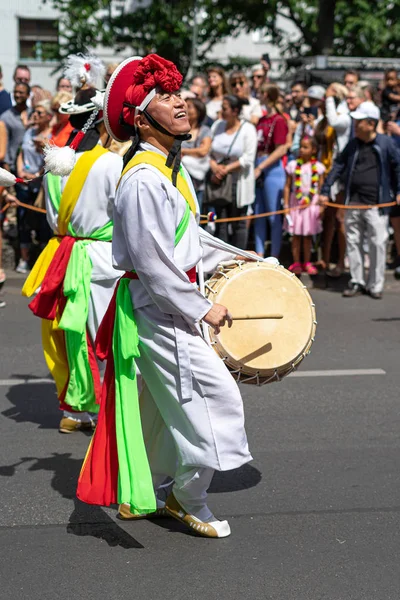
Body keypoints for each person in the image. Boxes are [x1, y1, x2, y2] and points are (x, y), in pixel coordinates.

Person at [77, 54, 252, 538]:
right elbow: (154, 265)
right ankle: (186, 496)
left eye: (181, 95)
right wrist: (205, 308)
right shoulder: (140, 180)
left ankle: (151, 485)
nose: (182, 103)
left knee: (162, 407)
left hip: (174, 307)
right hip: (159, 312)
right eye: (167, 98)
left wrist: (245, 259)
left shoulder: (172, 172)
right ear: (140, 118)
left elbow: (191, 240)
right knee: (215, 399)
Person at [21, 80, 123, 433]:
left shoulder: (55, 165)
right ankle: (110, 408)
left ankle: (75, 411)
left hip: (64, 253)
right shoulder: (113, 164)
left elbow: (52, 218)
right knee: (107, 337)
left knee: (70, 334)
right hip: (104, 257)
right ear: (100, 122)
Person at [320, 102, 400, 299]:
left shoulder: (385, 143)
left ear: (371, 124)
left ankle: (375, 284)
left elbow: (398, 167)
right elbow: (338, 166)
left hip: (377, 204)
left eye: (360, 121)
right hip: (353, 201)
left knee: (378, 244)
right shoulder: (353, 144)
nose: (355, 124)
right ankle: (356, 280)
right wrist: (325, 190)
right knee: (353, 242)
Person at [207, 94, 257, 249]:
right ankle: (222, 260)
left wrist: (225, 169)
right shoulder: (217, 126)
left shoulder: (248, 129)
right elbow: (207, 150)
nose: (221, 111)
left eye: (225, 108)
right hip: (219, 182)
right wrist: (214, 167)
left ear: (235, 111)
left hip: (238, 182)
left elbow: (248, 159)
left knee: (238, 223)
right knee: (220, 222)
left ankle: (240, 261)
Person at [14, 100, 53, 272]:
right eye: (34, 112)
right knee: (23, 221)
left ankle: (42, 264)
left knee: (43, 223)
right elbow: (21, 153)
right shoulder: (29, 132)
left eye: (39, 113)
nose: (35, 115)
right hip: (25, 183)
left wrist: (37, 175)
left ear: (48, 117)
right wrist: (21, 170)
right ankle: (24, 259)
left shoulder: (51, 136)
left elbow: (51, 161)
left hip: (41, 184)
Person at [254, 83, 289, 258]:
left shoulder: (279, 120)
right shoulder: (262, 120)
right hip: (259, 166)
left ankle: (274, 254)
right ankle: (259, 253)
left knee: (273, 216)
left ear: (267, 95)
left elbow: (281, 149)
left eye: (261, 93)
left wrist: (261, 166)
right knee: (258, 213)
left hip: (272, 169)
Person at [320, 82, 351, 276]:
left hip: (341, 175)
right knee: (328, 218)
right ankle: (324, 259)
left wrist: (330, 97)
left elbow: (334, 120)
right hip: (328, 171)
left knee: (341, 219)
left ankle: (340, 262)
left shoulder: (345, 117)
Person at [284, 137, 325, 275]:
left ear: (313, 150)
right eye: (301, 146)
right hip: (296, 204)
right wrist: (286, 206)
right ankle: (296, 262)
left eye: (305, 147)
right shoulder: (293, 165)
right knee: (296, 235)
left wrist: (321, 206)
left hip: (311, 205)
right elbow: (288, 186)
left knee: (307, 236)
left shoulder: (317, 168)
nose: (301, 149)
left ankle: (307, 261)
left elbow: (320, 188)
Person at [181, 97, 211, 211]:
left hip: (197, 183)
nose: (185, 109)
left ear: (199, 111)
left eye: (189, 107)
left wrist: (183, 151)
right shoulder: (179, 129)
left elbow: (203, 151)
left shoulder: (205, 131)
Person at [0, 82, 30, 173]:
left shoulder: (34, 114)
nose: (17, 95)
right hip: (12, 167)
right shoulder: (6, 117)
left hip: (31, 166)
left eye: (21, 92)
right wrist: (6, 166)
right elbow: (4, 144)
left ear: (28, 95)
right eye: (15, 92)